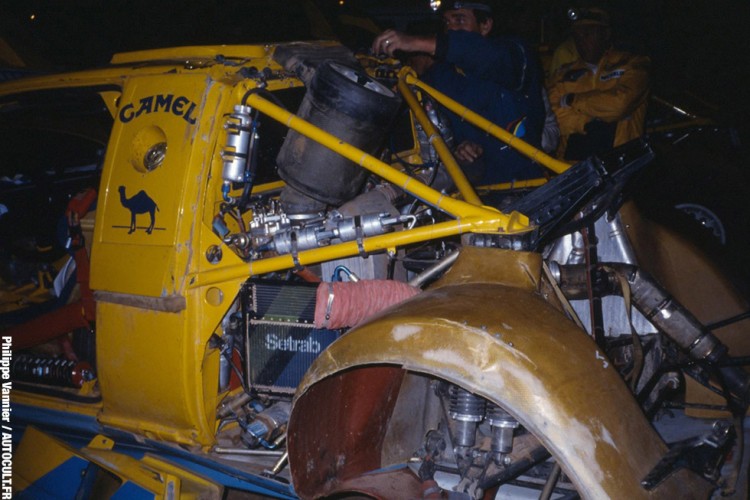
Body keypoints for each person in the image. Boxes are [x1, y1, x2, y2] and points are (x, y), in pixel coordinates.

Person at [372, 1, 547, 185]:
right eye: (447, 22)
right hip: (472, 193)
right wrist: (458, 147)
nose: (452, 29)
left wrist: (416, 42)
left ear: (486, 24)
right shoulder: (441, 77)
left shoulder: (515, 54)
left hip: (524, 187)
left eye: (460, 19)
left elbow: (483, 55)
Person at [547, 7, 650, 161]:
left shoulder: (632, 64)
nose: (582, 40)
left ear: (606, 34)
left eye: (589, 33)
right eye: (578, 35)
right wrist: (587, 123)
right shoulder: (563, 74)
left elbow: (620, 104)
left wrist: (572, 100)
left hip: (622, 164)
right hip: (572, 167)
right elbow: (551, 117)